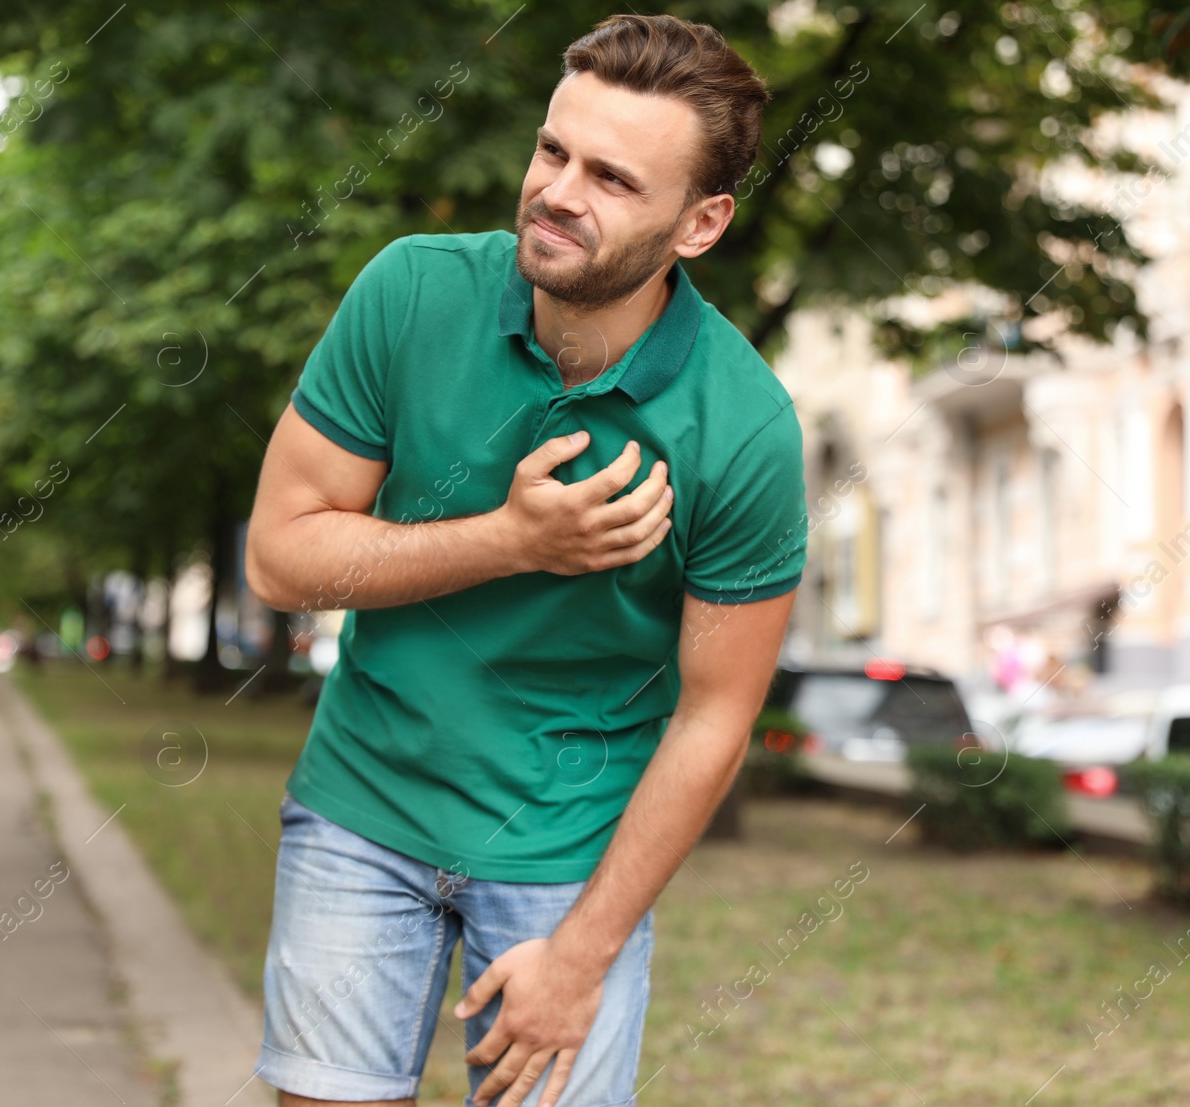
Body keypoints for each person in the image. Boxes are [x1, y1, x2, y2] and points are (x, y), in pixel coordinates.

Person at [242, 14, 805, 1107]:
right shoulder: (412, 293)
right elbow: (279, 559)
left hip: (567, 861)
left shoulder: (744, 429)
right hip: (364, 807)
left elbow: (713, 716)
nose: (557, 192)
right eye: (553, 151)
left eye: (611, 178)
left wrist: (585, 955)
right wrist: (511, 541)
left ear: (700, 224)